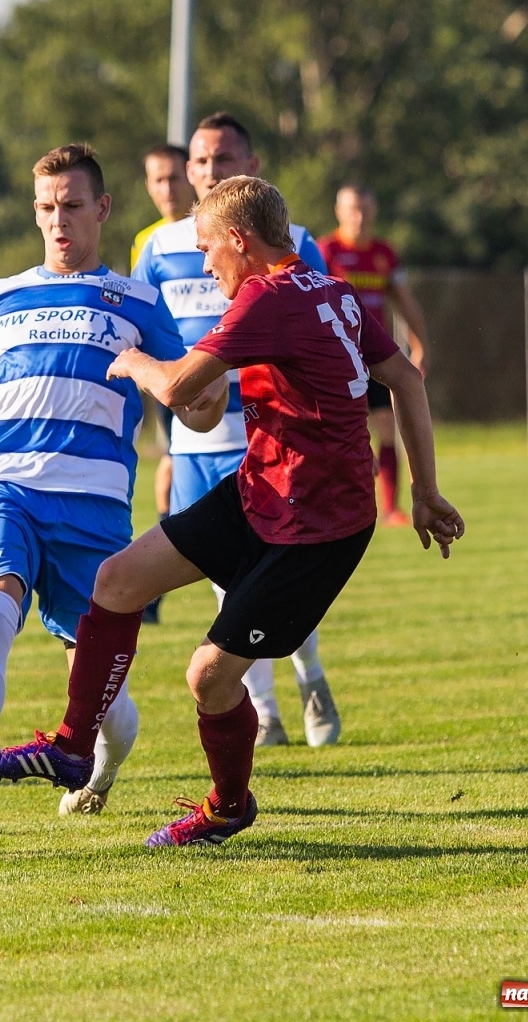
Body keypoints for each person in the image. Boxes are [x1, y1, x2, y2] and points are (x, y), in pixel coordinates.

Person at [0, 176, 464, 847]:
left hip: (318, 529)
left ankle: (228, 807)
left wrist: (133, 360)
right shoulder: (332, 290)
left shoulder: (267, 296)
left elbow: (178, 387)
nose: (205, 265)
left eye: (207, 248)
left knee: (208, 676)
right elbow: (405, 375)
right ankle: (71, 748)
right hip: (261, 488)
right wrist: (424, 490)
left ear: (238, 239)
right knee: (117, 580)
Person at [0, 144, 224, 839]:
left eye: (70, 205)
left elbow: (192, 400)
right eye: (45, 207)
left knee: (102, 699)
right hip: (2, 490)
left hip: (93, 510)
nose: (57, 220)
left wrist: (207, 397)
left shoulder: (140, 302)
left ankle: (103, 766)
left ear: (102, 208)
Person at [133, 111, 339, 748]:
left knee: (275, 581)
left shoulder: (296, 241)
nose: (208, 171)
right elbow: (148, 336)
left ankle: (309, 672)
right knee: (229, 587)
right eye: (199, 161)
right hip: (195, 446)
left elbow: (329, 334)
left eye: (223, 160)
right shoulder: (157, 248)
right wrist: (165, 434)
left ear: (250, 167)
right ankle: (267, 712)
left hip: (270, 442)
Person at [318, 184, 431, 527]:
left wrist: (420, 346)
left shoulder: (384, 254)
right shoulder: (326, 251)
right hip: (336, 358)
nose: (359, 216)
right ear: (338, 211)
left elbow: (405, 302)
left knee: (386, 428)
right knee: (339, 434)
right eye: (352, 209)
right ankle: (334, 504)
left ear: (374, 211)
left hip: (374, 357)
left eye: (365, 209)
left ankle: (391, 508)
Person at [131, 143, 196, 614]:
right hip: (173, 372)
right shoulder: (148, 240)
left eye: (174, 177)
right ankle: (155, 582)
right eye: (157, 179)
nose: (167, 188)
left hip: (222, 375)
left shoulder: (210, 229)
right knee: (171, 462)